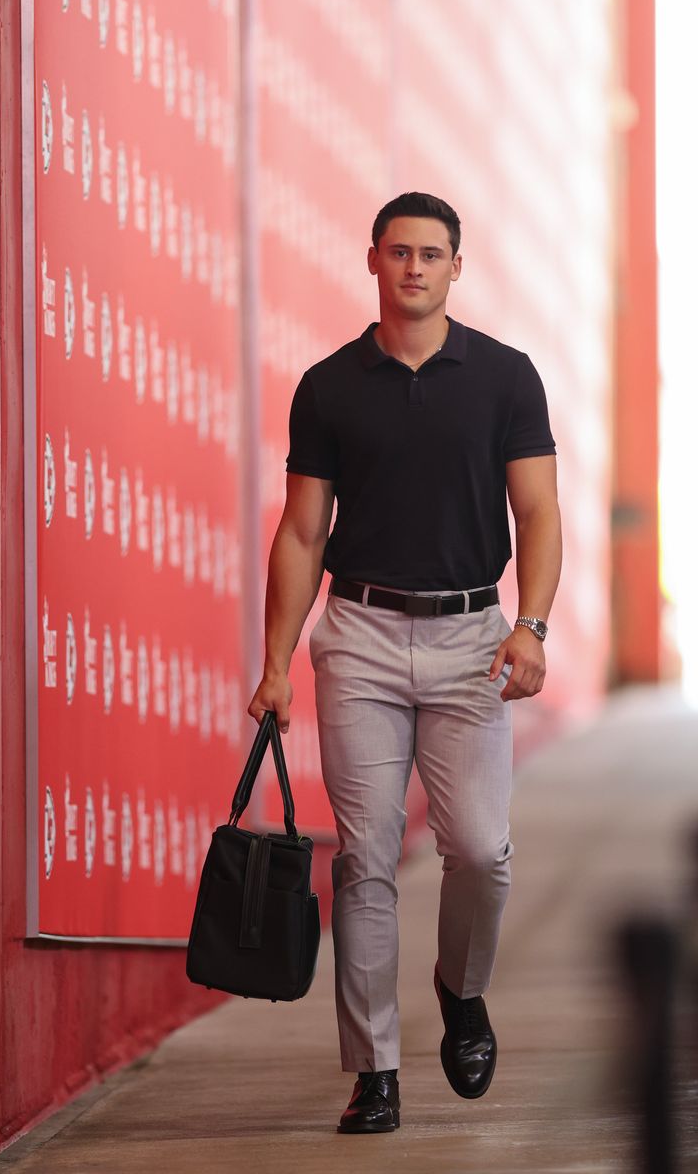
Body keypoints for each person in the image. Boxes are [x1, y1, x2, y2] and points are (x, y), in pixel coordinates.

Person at [247, 191, 562, 1134]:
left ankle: (460, 993)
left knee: (479, 851)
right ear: (372, 261)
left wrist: (532, 626)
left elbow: (538, 513)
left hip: (475, 640)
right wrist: (275, 660)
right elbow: (303, 534)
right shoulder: (329, 385)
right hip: (362, 640)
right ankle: (374, 1070)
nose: (415, 267)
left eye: (432, 254)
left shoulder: (506, 378)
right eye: (399, 252)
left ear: (457, 267)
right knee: (367, 862)